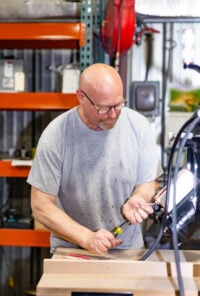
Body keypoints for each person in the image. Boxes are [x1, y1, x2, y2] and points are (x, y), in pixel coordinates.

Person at [27, 63, 161, 254]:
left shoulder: (139, 127)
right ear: (81, 97)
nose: (113, 114)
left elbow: (148, 183)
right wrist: (86, 238)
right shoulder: (56, 136)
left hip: (127, 249)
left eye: (118, 104)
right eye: (103, 108)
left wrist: (139, 196)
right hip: (72, 251)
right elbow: (40, 206)